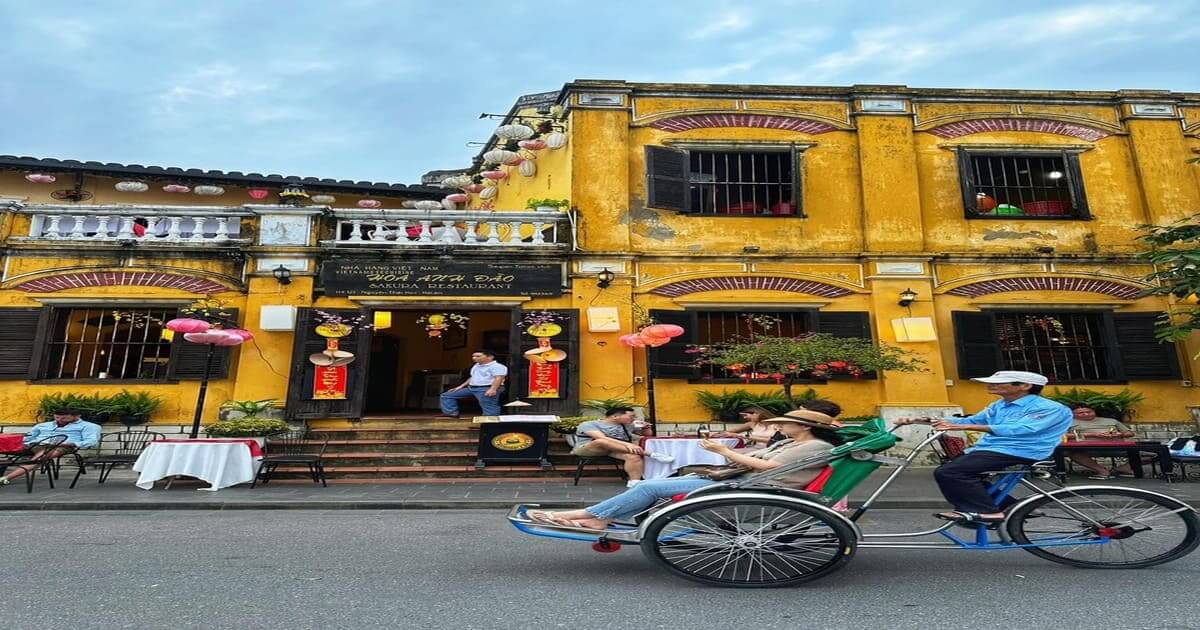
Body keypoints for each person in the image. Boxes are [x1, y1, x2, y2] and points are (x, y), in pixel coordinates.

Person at [528, 409, 842, 529]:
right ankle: (600, 516)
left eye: (787, 423)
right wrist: (727, 450)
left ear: (803, 427)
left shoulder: (816, 446)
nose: (782, 426)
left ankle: (589, 516)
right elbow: (762, 455)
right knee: (674, 479)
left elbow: (768, 465)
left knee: (648, 486)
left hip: (755, 488)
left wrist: (721, 450)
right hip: (745, 480)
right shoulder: (793, 443)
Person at [896, 370, 1072, 524]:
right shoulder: (1000, 405)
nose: (991, 385)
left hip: (1022, 450)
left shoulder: (1050, 408)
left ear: (1025, 386)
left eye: (998, 383)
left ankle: (986, 512)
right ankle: (1014, 507)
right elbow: (971, 421)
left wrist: (965, 427)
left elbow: (1020, 429)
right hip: (994, 448)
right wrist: (919, 420)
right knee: (956, 473)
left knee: (951, 472)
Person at [0, 408, 100, 487]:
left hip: (63, 445)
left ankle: (5, 478)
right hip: (35, 443)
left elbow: (91, 441)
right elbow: (29, 437)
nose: (60, 420)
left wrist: (71, 443)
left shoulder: (89, 426)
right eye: (57, 417)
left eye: (64, 418)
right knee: (3, 447)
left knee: (41, 457)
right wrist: (13, 440)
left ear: (77, 416)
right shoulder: (43, 425)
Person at [571, 407, 649, 487]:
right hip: (589, 448)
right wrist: (628, 445)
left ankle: (634, 482)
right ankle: (649, 453)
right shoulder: (589, 424)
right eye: (631, 416)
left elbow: (648, 435)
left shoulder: (629, 425)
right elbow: (602, 438)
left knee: (634, 457)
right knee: (600, 441)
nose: (634, 418)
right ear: (615, 416)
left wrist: (646, 427)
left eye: (634, 416)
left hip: (614, 450)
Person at [1064, 403, 1140, 479]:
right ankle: (1102, 471)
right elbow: (1063, 436)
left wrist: (1118, 434)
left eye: (1089, 412)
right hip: (1085, 448)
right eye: (1081, 413)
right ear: (1073, 414)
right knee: (1073, 453)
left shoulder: (1112, 421)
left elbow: (1130, 433)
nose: (1086, 414)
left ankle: (1123, 468)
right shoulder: (1068, 423)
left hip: (1116, 447)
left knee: (1148, 454)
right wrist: (1091, 435)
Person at [439, 350, 507, 418]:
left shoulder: (497, 366)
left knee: (489, 405)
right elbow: (472, 377)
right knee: (447, 396)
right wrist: (459, 387)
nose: (474, 358)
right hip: (472, 388)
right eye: (473, 356)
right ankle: (451, 414)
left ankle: (489, 424)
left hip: (487, 388)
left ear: (490, 357)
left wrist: (493, 389)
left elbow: (498, 378)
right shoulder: (476, 366)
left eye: (478, 356)